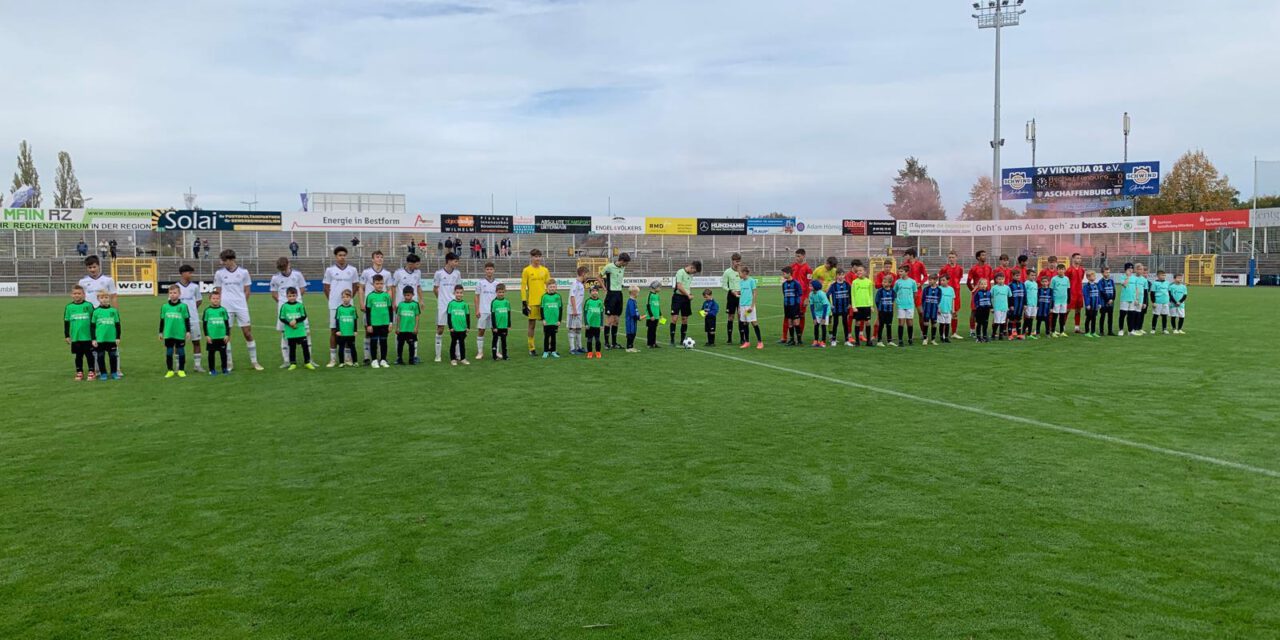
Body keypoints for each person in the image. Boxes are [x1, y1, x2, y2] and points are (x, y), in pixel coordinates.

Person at [215, 249, 262, 370]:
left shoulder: (244, 272)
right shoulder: (219, 273)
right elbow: (219, 291)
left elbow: (247, 290)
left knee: (247, 333)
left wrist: (242, 303)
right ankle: (229, 363)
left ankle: (254, 362)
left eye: (224, 261)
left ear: (231, 260)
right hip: (226, 308)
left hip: (241, 307)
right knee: (226, 335)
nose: (223, 263)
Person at [267, 257, 308, 368]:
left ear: (289, 264)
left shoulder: (298, 275)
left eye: (285, 268)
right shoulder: (275, 278)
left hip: (298, 307)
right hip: (284, 309)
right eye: (282, 270)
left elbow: (302, 289)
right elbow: (274, 294)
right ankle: (286, 360)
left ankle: (309, 359)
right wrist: (284, 304)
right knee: (285, 334)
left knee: (306, 332)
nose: (284, 271)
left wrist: (296, 302)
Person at [323, 246, 360, 366]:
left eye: (344, 255)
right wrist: (332, 299)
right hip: (334, 305)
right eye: (340, 255)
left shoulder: (353, 270)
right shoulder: (330, 270)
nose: (342, 257)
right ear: (336, 256)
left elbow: (355, 286)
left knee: (348, 331)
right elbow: (326, 287)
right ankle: (333, 358)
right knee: (334, 331)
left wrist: (349, 299)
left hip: (349, 306)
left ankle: (348, 358)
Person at [360, 250, 394, 365]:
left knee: (382, 334)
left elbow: (389, 289)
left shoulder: (387, 273)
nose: (380, 259)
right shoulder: (366, 272)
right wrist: (361, 302)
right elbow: (361, 287)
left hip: (382, 308)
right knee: (368, 331)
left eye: (381, 257)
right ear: (373, 259)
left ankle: (382, 358)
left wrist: (388, 301)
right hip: (370, 307)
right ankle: (367, 357)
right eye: (377, 257)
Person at [432, 252, 463, 362]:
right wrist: (441, 300)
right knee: (440, 329)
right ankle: (438, 355)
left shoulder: (457, 273)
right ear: (449, 261)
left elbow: (459, 288)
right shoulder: (439, 273)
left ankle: (458, 354)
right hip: (442, 305)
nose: (457, 263)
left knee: (457, 330)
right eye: (455, 261)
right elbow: (435, 289)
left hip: (454, 306)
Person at [520, 249, 551, 357]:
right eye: (535, 256)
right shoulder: (526, 270)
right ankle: (531, 347)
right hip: (532, 302)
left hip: (544, 303)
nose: (537, 259)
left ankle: (548, 347)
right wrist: (524, 302)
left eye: (539, 256)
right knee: (531, 325)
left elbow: (549, 285)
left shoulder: (545, 270)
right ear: (531, 257)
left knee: (546, 325)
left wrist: (550, 299)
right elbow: (523, 287)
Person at [159, 284, 192, 378]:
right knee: (169, 352)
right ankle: (170, 370)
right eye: (170, 293)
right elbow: (162, 320)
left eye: (175, 293)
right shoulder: (164, 306)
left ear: (179, 294)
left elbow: (187, 319)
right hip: (168, 333)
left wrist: (188, 331)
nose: (173, 294)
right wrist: (160, 332)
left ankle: (181, 370)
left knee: (181, 351)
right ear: (168, 294)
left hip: (180, 333)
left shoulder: (183, 306)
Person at [177, 264, 205, 372]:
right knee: (178, 343)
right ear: (183, 273)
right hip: (179, 320)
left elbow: (199, 300)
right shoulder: (175, 287)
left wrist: (191, 310)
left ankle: (197, 365)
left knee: (196, 341)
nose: (191, 275)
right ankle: (178, 365)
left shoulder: (195, 287)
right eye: (189, 272)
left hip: (193, 319)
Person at [278, 287, 315, 370]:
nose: (292, 297)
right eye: (290, 296)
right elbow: (281, 317)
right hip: (290, 331)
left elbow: (304, 316)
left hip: (300, 330)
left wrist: (296, 320)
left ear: (297, 296)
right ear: (287, 296)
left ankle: (307, 362)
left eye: (293, 295)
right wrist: (289, 323)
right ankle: (293, 363)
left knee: (305, 346)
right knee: (292, 347)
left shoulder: (300, 305)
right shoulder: (284, 306)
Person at [65, 285, 96, 380]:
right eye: (75, 293)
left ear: (83, 295)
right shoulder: (69, 307)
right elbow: (66, 321)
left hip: (87, 336)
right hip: (76, 336)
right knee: (78, 355)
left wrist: (94, 335)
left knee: (89, 355)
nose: (77, 295)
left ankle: (91, 371)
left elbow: (93, 321)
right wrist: (67, 335)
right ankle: (79, 371)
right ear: (71, 295)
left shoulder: (88, 305)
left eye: (79, 293)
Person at [600, 253, 630, 349]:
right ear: (622, 261)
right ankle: (606, 343)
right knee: (609, 319)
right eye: (626, 263)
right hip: (611, 295)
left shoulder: (623, 267)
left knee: (616, 320)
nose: (627, 265)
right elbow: (598, 276)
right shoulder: (609, 267)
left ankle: (614, 343)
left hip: (619, 294)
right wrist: (604, 288)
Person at [781, 249, 812, 343]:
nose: (797, 258)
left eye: (799, 256)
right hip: (791, 296)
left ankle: (799, 336)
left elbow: (809, 284)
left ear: (803, 256)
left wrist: (807, 297)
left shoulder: (808, 269)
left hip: (802, 297)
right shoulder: (792, 267)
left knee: (801, 316)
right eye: (796, 256)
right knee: (787, 317)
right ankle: (784, 337)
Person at [90, 291, 122, 380]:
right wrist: (93, 339)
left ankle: (114, 372)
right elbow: (92, 326)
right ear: (98, 299)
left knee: (113, 356)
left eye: (106, 297)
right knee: (100, 356)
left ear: (109, 299)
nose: (104, 300)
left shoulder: (114, 311)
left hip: (111, 339)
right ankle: (103, 373)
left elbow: (118, 325)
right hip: (100, 339)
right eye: (102, 298)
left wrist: (118, 337)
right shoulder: (96, 312)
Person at [669, 260, 702, 346]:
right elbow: (679, 287)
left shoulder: (691, 275)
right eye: (694, 271)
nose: (694, 273)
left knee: (685, 319)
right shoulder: (680, 272)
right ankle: (672, 340)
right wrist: (688, 295)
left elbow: (687, 287)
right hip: (677, 297)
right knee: (674, 318)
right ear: (692, 267)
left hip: (686, 299)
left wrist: (689, 294)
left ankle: (682, 340)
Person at [364, 274, 393, 368]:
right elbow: (368, 312)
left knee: (384, 342)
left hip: (384, 323)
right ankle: (374, 360)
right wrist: (369, 325)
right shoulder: (370, 296)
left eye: (381, 283)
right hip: (374, 324)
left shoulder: (386, 296)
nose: (379, 285)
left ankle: (383, 360)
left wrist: (390, 323)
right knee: (374, 342)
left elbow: (390, 310)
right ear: (373, 284)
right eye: (377, 283)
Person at [202, 291, 231, 375]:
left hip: (222, 337)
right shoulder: (207, 311)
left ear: (220, 299)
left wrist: (227, 334)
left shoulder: (223, 310)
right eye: (213, 298)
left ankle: (224, 369)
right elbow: (204, 324)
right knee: (211, 354)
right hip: (212, 337)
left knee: (223, 354)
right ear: (210, 299)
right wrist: (207, 335)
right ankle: (212, 369)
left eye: (217, 298)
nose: (215, 300)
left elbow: (226, 323)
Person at [474, 262, 499, 360]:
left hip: (494, 312)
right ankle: (480, 352)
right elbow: (476, 297)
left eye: (491, 269)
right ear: (485, 270)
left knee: (495, 331)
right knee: (481, 330)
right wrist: (477, 310)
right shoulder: (480, 282)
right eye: (487, 269)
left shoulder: (498, 283)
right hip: (483, 310)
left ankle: (496, 351)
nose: (489, 271)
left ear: (494, 270)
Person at [938, 251, 965, 339]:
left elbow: (959, 278)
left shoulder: (960, 268)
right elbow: (940, 281)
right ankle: (943, 333)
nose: (951, 259)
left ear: (956, 258)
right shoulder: (944, 268)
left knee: (954, 313)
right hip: (945, 294)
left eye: (953, 257)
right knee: (943, 313)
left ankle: (954, 333)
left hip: (956, 293)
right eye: (950, 257)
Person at [966, 250, 993, 339]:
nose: (984, 256)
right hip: (977, 294)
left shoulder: (989, 267)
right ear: (978, 257)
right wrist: (973, 291)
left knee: (986, 311)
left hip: (987, 293)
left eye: (985, 255)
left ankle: (984, 331)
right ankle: (972, 330)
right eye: (982, 255)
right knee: (974, 311)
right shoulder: (973, 268)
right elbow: (968, 282)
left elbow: (991, 279)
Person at [737, 266, 762, 349]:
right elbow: (741, 295)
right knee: (744, 323)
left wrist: (752, 306)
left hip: (749, 306)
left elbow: (755, 293)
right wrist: (740, 307)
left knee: (754, 322)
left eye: (740, 273)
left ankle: (760, 342)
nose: (739, 274)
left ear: (744, 273)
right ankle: (747, 342)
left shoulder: (751, 281)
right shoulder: (741, 282)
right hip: (743, 306)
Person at [445, 284, 471, 365]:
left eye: (460, 293)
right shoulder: (451, 304)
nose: (459, 294)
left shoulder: (465, 304)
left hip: (462, 328)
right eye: (457, 292)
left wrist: (468, 327)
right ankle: (453, 359)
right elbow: (449, 316)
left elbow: (467, 316)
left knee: (462, 343)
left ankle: (463, 358)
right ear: (454, 293)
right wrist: (450, 327)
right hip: (454, 328)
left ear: (463, 293)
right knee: (453, 343)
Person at [893, 265, 918, 346]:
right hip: (901, 305)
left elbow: (915, 293)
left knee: (910, 322)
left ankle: (910, 339)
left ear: (907, 272)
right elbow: (894, 292)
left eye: (901, 271)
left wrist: (911, 301)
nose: (899, 273)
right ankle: (900, 340)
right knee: (901, 322)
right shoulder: (897, 282)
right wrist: (897, 301)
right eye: (899, 271)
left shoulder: (912, 282)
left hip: (910, 305)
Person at [396, 286, 422, 364]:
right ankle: (400, 359)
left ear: (413, 295)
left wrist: (416, 327)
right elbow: (398, 316)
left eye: (409, 295)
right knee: (400, 345)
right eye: (406, 295)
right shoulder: (400, 305)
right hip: (402, 329)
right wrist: (397, 327)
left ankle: (411, 359)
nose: (407, 297)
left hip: (411, 329)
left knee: (411, 345)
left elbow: (417, 316)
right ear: (403, 295)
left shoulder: (415, 304)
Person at [333, 290, 359, 367]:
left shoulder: (353, 309)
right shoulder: (339, 308)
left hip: (350, 332)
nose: (345, 299)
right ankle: (341, 362)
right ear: (342, 298)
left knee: (353, 347)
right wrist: (338, 330)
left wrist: (355, 330)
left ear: (350, 298)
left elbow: (355, 320)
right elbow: (337, 320)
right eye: (344, 297)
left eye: (347, 297)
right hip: (342, 333)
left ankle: (355, 361)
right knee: (341, 347)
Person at [851, 264, 874, 347]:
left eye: (861, 270)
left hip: (866, 305)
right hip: (858, 306)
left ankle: (868, 341)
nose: (859, 272)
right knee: (857, 322)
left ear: (865, 272)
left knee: (867, 322)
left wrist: (871, 305)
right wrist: (854, 306)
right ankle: (857, 341)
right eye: (857, 271)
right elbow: (852, 295)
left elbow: (871, 294)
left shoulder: (869, 282)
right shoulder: (854, 282)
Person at [721, 253, 741, 346]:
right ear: (732, 261)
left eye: (739, 261)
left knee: (741, 316)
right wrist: (731, 290)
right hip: (731, 296)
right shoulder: (727, 272)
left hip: (741, 296)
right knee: (731, 317)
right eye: (736, 261)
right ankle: (729, 339)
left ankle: (742, 338)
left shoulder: (741, 271)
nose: (737, 263)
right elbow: (724, 285)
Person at [540, 280, 563, 358]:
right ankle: (546, 351)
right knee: (546, 337)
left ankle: (553, 351)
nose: (552, 288)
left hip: (555, 321)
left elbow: (560, 309)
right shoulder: (544, 297)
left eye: (554, 287)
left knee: (553, 337)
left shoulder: (558, 296)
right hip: (547, 321)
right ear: (547, 287)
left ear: (556, 287)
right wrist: (543, 319)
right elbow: (541, 308)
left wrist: (559, 320)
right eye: (550, 287)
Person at [827, 271, 852, 346]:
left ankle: (847, 340)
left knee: (845, 323)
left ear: (844, 275)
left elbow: (851, 294)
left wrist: (850, 303)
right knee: (835, 323)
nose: (841, 276)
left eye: (842, 275)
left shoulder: (847, 285)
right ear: (836, 276)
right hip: (836, 308)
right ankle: (833, 340)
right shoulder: (833, 285)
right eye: (839, 275)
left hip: (845, 307)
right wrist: (830, 304)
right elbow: (827, 295)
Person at [781, 266, 803, 346]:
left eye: (784, 274)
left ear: (789, 274)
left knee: (796, 322)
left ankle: (799, 340)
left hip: (794, 305)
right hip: (787, 305)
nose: (783, 275)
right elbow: (784, 294)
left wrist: (796, 303)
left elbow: (800, 293)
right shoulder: (784, 284)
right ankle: (792, 340)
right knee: (789, 322)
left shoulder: (796, 283)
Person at [568, 266, 588, 355]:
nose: (587, 276)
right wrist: (574, 309)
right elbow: (572, 297)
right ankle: (572, 349)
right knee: (572, 329)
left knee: (579, 329)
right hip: (573, 310)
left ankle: (579, 347)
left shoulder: (580, 284)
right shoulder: (575, 283)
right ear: (583, 274)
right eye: (586, 274)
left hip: (579, 310)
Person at [490, 283, 512, 360]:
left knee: (504, 341)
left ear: (504, 292)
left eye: (502, 292)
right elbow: (492, 315)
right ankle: (494, 356)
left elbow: (509, 314)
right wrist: (494, 326)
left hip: (504, 325)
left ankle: (505, 356)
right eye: (499, 292)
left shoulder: (507, 302)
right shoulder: (494, 302)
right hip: (497, 326)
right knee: (495, 341)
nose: (501, 294)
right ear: (496, 292)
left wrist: (509, 325)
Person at [1066, 253, 1086, 333]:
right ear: (1073, 259)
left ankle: (1077, 328)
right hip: (1071, 293)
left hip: (1079, 293)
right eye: (1077, 258)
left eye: (1080, 258)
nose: (1079, 260)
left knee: (1078, 310)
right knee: (1067, 310)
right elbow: (1066, 281)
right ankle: (1062, 328)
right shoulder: (1069, 270)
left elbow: (1080, 279)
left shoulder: (1082, 269)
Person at [584, 285, 606, 358]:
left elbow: (602, 314)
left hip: (597, 325)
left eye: (596, 291)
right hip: (590, 325)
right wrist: (586, 323)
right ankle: (590, 352)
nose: (595, 292)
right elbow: (585, 313)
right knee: (589, 340)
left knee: (597, 340)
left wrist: (602, 324)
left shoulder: (600, 302)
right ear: (590, 293)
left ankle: (598, 352)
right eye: (593, 291)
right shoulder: (588, 301)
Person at [1050, 265, 1071, 337]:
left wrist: (1069, 299)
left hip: (1064, 300)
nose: (1061, 271)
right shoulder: (1054, 279)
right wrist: (1052, 301)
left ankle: (1062, 331)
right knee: (1055, 316)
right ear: (1057, 270)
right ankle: (1053, 331)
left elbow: (1068, 290)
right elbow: (1051, 290)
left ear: (1065, 270)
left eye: (1062, 269)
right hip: (1056, 300)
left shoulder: (1066, 279)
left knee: (1062, 316)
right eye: (1059, 269)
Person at [808, 280, 830, 348]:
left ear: (815, 286)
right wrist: (814, 318)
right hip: (817, 312)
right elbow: (811, 306)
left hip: (825, 311)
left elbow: (825, 306)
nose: (809, 287)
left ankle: (823, 341)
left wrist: (823, 318)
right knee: (816, 326)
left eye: (811, 286)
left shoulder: (821, 294)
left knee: (823, 326)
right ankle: (816, 340)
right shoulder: (811, 294)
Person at [920, 275, 941, 346]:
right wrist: (923, 308)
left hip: (934, 310)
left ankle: (933, 339)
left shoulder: (939, 290)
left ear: (935, 280)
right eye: (929, 280)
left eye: (931, 280)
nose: (929, 281)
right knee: (925, 323)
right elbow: (923, 299)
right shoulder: (926, 289)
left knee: (934, 324)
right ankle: (925, 339)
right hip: (927, 310)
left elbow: (939, 300)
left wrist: (938, 308)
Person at [874, 275, 895, 347]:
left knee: (889, 326)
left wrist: (892, 310)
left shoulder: (892, 291)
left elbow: (893, 301)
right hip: (882, 311)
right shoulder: (880, 291)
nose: (883, 283)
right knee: (881, 325)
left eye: (885, 282)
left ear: (890, 283)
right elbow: (876, 301)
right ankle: (879, 341)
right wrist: (879, 309)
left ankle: (889, 341)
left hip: (890, 311)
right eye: (883, 281)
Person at [990, 273, 1011, 341]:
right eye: (999, 279)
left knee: (1002, 321)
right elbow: (990, 297)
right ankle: (993, 334)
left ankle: (1001, 335)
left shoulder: (1007, 288)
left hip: (1004, 307)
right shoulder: (994, 288)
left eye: (1002, 279)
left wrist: (1009, 306)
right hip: (997, 307)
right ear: (996, 280)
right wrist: (992, 307)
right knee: (997, 321)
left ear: (1004, 279)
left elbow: (1010, 297)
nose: (1001, 280)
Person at [1150, 269, 1171, 334]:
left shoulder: (1167, 283)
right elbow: (1152, 293)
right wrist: (1153, 302)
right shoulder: (1154, 283)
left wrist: (1169, 301)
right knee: (1156, 315)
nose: (1164, 276)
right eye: (1162, 275)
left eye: (1164, 275)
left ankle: (1164, 329)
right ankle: (1153, 329)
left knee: (1164, 316)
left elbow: (1169, 292)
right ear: (1158, 276)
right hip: (1157, 302)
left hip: (1165, 302)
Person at [936, 273, 956, 344]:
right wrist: (938, 308)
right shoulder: (938, 289)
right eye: (941, 280)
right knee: (942, 324)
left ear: (948, 281)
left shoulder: (951, 289)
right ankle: (942, 337)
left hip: (948, 310)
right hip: (941, 310)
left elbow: (953, 299)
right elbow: (936, 299)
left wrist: (953, 309)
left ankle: (946, 337)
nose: (942, 282)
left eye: (944, 280)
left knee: (947, 324)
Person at [971, 278, 992, 343]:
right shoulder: (978, 293)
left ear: (987, 285)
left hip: (986, 310)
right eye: (981, 284)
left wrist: (991, 307)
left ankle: (985, 336)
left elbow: (990, 300)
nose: (983, 285)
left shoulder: (989, 292)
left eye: (985, 284)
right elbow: (975, 300)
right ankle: (978, 337)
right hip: (980, 310)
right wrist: (978, 307)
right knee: (979, 323)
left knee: (985, 323)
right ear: (979, 285)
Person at [1082, 271, 1102, 338]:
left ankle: (1093, 332)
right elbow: (1086, 296)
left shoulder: (1096, 285)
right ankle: (1087, 332)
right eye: (1092, 276)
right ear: (1088, 277)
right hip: (1090, 306)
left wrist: (1099, 303)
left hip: (1095, 306)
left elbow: (1098, 295)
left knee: (1094, 319)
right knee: (1088, 318)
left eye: (1094, 276)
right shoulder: (1086, 286)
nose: (1093, 277)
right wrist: (1087, 304)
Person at [1098, 267, 1117, 336]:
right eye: (1106, 272)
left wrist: (1112, 299)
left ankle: (1110, 331)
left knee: (1110, 317)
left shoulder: (1111, 281)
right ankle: (1101, 331)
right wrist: (1107, 300)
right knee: (1102, 316)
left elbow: (1114, 290)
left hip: (1111, 303)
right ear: (1102, 273)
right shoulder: (1100, 282)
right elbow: (1102, 292)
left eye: (1109, 272)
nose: (1108, 274)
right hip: (1103, 303)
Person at [643, 281, 662, 349]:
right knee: (650, 330)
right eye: (659, 287)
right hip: (651, 317)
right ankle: (649, 344)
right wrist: (651, 315)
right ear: (655, 287)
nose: (660, 289)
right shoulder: (650, 295)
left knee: (654, 330)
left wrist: (660, 314)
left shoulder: (657, 295)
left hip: (656, 316)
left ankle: (654, 343)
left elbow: (658, 305)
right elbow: (648, 306)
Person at [1008, 269, 1026, 340]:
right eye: (1016, 276)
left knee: (1018, 319)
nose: (1018, 277)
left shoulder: (1022, 284)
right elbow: (1009, 296)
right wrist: (1010, 305)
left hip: (1020, 305)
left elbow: (1025, 295)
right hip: (1013, 306)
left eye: (1019, 275)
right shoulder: (1010, 285)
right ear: (1012, 276)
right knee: (1011, 320)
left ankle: (1019, 334)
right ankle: (1010, 335)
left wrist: (1025, 304)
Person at [625, 285, 641, 352]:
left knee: (634, 333)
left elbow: (636, 310)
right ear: (633, 293)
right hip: (630, 321)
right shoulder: (630, 301)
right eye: (637, 292)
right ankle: (629, 347)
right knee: (630, 333)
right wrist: (637, 317)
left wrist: (638, 316)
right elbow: (632, 313)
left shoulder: (634, 301)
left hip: (634, 320)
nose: (638, 294)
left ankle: (631, 346)